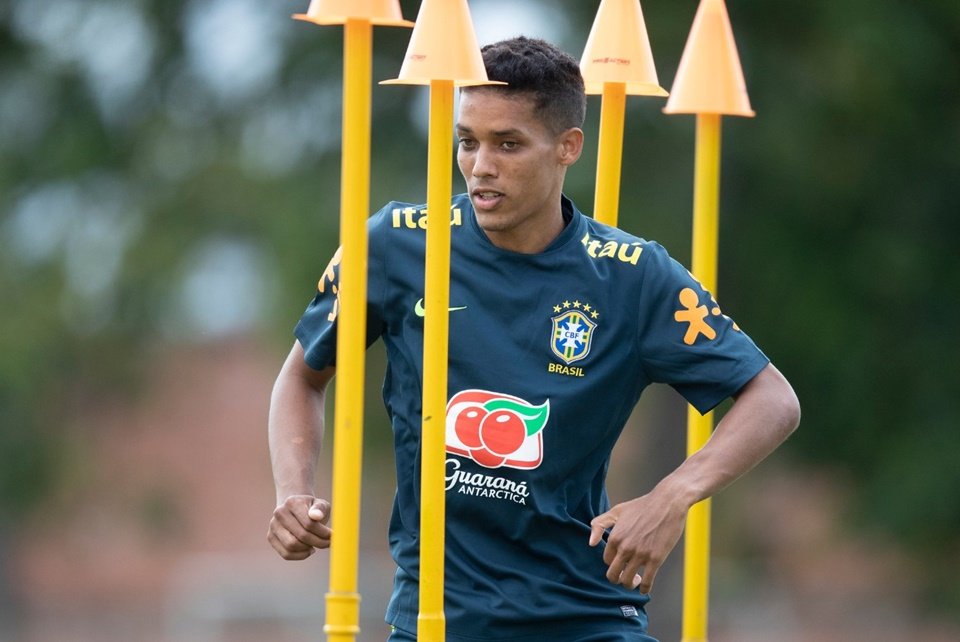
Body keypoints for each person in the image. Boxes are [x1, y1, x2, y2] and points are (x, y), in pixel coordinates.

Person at [267, 36, 800, 642]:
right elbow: (302, 376)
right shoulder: (395, 244)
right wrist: (293, 493)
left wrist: (672, 495)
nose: (480, 165)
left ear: (568, 147)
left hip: (586, 617)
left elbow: (772, 399)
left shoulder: (633, 275)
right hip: (436, 622)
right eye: (467, 141)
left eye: (508, 144)